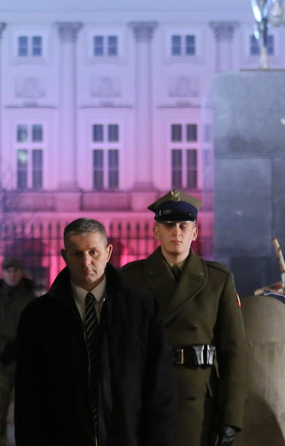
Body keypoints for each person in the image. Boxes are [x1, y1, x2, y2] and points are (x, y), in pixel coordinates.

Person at [15, 217, 176, 446]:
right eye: (77, 254)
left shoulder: (141, 309)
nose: (86, 262)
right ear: (64, 256)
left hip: (127, 436)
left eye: (93, 252)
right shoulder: (38, 316)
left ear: (108, 252)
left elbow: (159, 388)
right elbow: (28, 397)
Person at [122, 191, 247, 446]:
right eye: (168, 225)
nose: (176, 232)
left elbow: (233, 352)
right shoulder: (132, 278)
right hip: (147, 401)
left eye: (183, 225)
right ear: (156, 232)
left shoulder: (217, 279)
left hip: (200, 406)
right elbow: (119, 349)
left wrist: (230, 418)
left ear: (194, 232)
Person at [0, 257, 35, 446]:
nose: (12, 274)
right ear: (3, 273)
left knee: (27, 420)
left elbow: (40, 330)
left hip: (25, 367)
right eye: (9, 270)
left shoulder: (31, 302)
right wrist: (3, 347)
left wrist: (23, 347)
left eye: (16, 270)